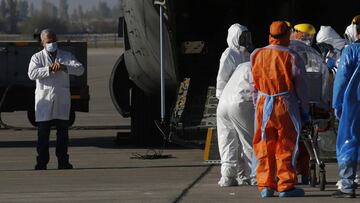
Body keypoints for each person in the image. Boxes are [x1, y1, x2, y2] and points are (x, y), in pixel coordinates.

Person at [251, 21, 309, 197]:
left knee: (264, 144)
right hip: (285, 104)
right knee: (285, 144)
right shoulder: (292, 56)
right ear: (287, 35)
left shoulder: (256, 54)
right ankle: (285, 185)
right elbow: (302, 87)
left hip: (263, 104)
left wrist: (257, 106)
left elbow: (253, 86)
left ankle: (266, 185)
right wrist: (304, 110)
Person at [28, 29, 84, 170]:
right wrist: (49, 69)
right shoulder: (37, 57)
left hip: (61, 100)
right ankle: (41, 162)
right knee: (43, 135)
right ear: (43, 42)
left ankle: (63, 162)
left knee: (63, 134)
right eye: (49, 42)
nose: (52, 43)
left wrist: (65, 67)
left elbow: (80, 69)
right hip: (44, 101)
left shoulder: (65, 56)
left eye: (54, 41)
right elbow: (32, 74)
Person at [331, 22, 360, 199]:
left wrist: (337, 103)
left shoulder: (351, 51)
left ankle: (347, 185)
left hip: (354, 102)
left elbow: (341, 80)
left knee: (349, 140)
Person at [217, 61, 256, 187]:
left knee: (227, 140)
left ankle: (227, 176)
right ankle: (253, 175)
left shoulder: (242, 66)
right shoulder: (260, 64)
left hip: (223, 103)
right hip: (241, 102)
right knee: (249, 141)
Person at [216, 23, 253, 99]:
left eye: (247, 37)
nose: (246, 40)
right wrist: (221, 97)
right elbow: (222, 78)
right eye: (243, 38)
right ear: (235, 38)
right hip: (232, 94)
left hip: (245, 93)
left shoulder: (247, 53)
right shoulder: (229, 54)